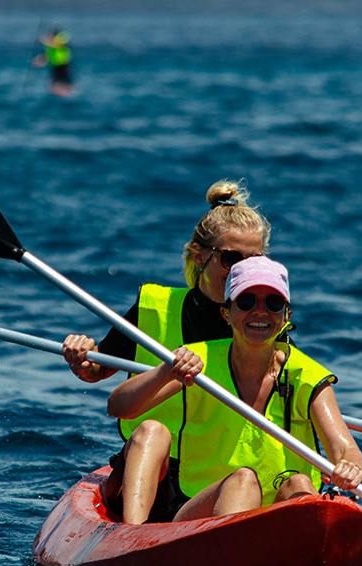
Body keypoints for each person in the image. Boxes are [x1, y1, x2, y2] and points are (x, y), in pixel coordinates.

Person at [62, 180, 271, 519]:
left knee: (245, 479)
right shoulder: (154, 307)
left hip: (217, 482)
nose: (242, 271)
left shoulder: (263, 327)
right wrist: (82, 357)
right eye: (232, 258)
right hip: (149, 473)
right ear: (199, 256)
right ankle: (131, 538)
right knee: (152, 430)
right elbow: (97, 371)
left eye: (254, 260)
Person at [106, 256, 362, 524]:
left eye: (273, 304)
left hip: (275, 519)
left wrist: (350, 468)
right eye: (247, 301)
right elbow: (118, 406)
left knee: (299, 483)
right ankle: (132, 537)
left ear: (286, 316)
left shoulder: (309, 378)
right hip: (196, 512)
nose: (260, 312)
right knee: (239, 479)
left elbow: (347, 451)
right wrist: (165, 371)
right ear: (226, 313)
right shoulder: (199, 363)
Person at [32, 29, 74, 97]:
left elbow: (57, 45)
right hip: (55, 65)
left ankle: (68, 93)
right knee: (54, 81)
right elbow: (47, 56)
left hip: (63, 64)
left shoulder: (61, 40)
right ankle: (57, 93)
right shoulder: (49, 46)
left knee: (65, 80)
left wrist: (45, 41)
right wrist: (38, 61)